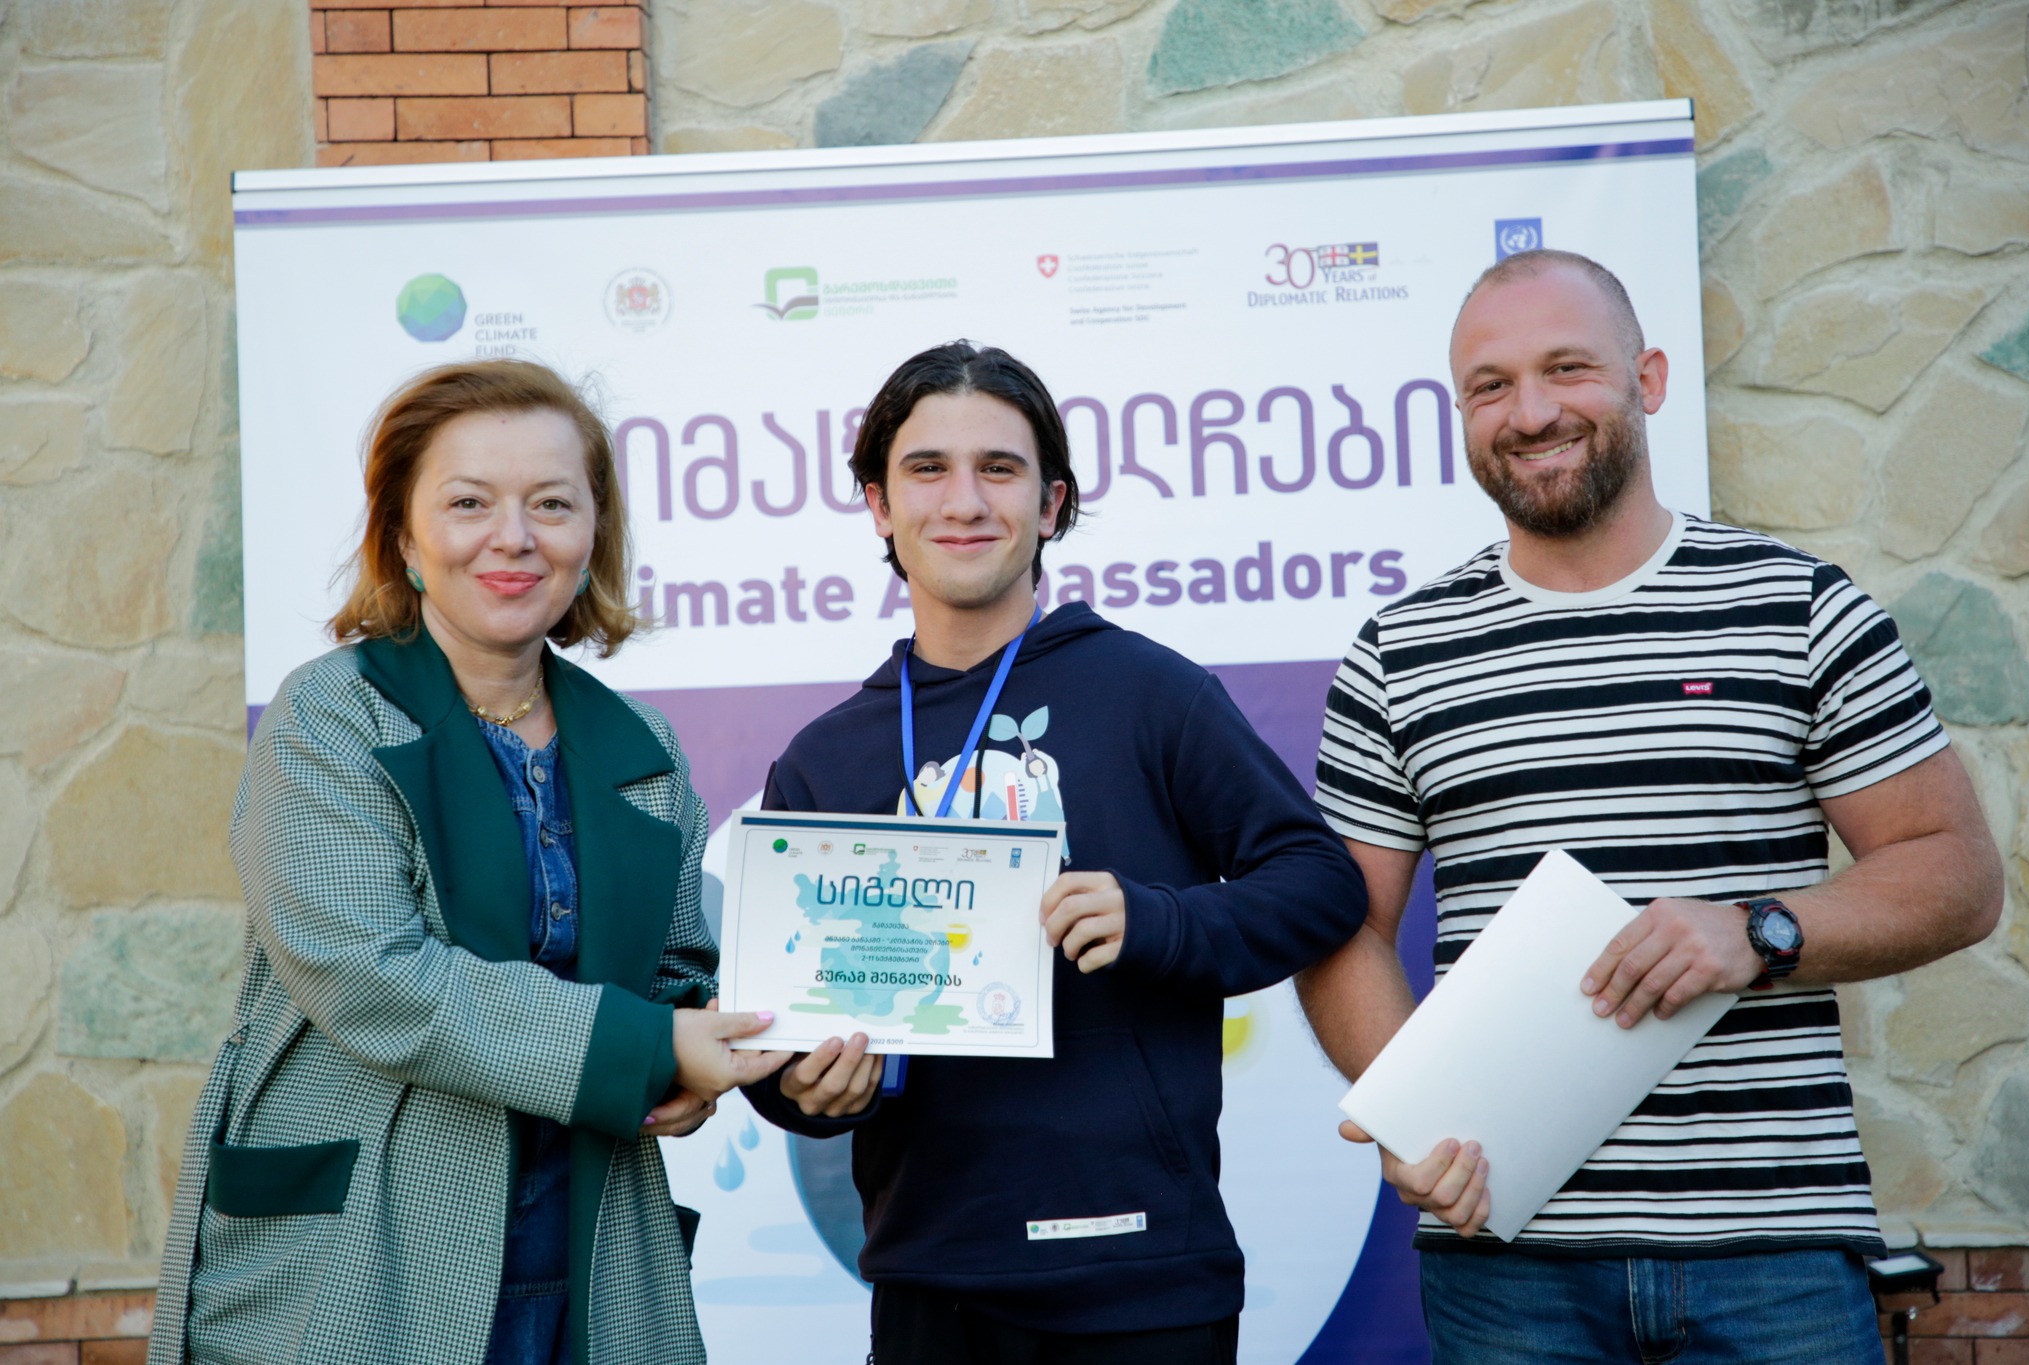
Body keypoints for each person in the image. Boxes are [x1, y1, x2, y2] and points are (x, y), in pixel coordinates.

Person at [1297, 250, 2004, 1363]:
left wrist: (1758, 932)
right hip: (1507, 1262)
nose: (1531, 411)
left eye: (1566, 368)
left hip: (1770, 1253)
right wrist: (1410, 1111)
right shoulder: (1401, 650)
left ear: (1649, 378)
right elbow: (1339, 926)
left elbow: (1956, 873)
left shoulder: (1796, 605)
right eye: (1490, 385)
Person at [149, 361, 789, 1365]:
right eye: (468, 503)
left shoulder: (642, 745)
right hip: (362, 1264)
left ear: (593, 532)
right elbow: (376, 978)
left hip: (586, 1259)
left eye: (551, 504)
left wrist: (694, 1058)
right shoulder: (329, 717)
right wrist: (652, 1048)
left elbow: (675, 967)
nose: (514, 536)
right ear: (404, 536)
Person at [741, 341, 1369, 1364]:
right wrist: (802, 1091)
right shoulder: (824, 760)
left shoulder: (1150, 694)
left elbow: (1319, 884)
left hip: (1142, 1276)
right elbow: (779, 1035)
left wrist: (1156, 918)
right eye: (927, 469)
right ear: (878, 505)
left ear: (1051, 503)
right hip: (930, 1279)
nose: (963, 500)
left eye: (999, 468)